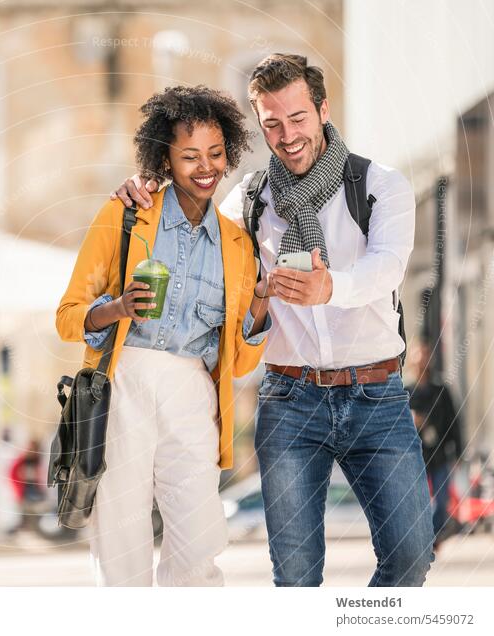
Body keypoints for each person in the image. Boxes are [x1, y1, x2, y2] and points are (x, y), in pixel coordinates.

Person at [111, 54, 434, 586]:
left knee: (411, 557)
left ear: (323, 109)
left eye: (298, 118)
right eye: (272, 123)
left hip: (376, 394)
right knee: (297, 578)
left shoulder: (379, 185)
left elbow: (389, 267)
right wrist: (143, 193)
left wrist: (332, 287)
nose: (287, 135)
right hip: (290, 402)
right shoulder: (250, 200)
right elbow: (194, 237)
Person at [57, 85, 269, 586]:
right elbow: (68, 316)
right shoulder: (126, 214)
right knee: (122, 544)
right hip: (124, 381)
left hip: (194, 392)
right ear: (165, 158)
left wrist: (260, 306)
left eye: (216, 154)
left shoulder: (238, 244)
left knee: (199, 543)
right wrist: (118, 307)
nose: (205, 167)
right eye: (189, 155)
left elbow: (236, 364)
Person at [408, 343, 464, 547]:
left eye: (425, 355)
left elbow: (454, 422)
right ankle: (425, 540)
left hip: (440, 455)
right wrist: (412, 419)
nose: (421, 360)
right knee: (418, 502)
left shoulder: (441, 390)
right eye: (418, 356)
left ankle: (433, 537)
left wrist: (458, 453)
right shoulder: (405, 392)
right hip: (416, 457)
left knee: (442, 501)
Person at [9, 439, 45, 533]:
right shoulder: (22, 460)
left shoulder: (38, 459)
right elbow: (13, 473)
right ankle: (25, 528)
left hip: (35, 488)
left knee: (37, 509)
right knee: (25, 510)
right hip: (25, 488)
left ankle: (34, 528)